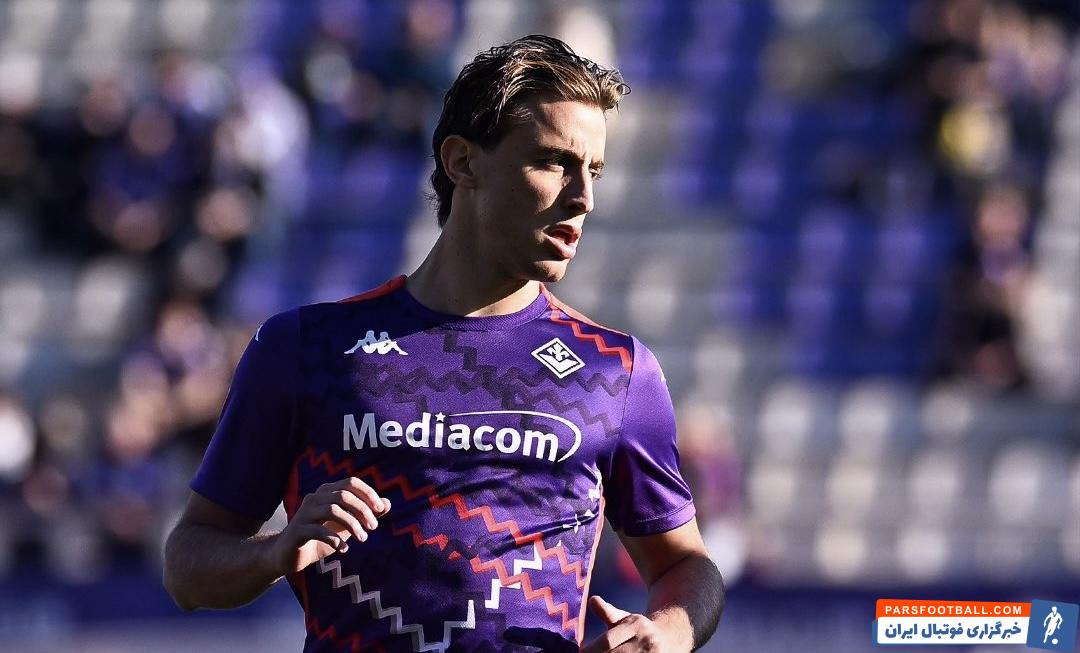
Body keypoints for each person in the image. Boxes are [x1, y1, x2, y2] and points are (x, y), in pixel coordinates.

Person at [163, 34, 724, 652]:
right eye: (553, 162)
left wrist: (668, 634)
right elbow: (188, 564)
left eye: (593, 171)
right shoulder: (306, 347)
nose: (583, 198)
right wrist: (275, 552)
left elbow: (686, 565)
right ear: (462, 162)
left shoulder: (615, 371)